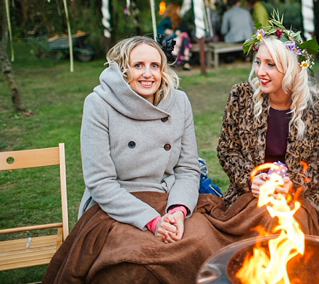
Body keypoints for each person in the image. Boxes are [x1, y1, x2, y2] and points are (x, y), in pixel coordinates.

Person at [44, 36, 207, 283]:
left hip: (168, 195)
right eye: (138, 65)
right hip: (116, 205)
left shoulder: (179, 102)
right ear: (122, 69)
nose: (148, 74)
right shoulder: (99, 104)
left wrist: (178, 210)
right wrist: (151, 221)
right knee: (136, 261)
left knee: (202, 244)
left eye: (155, 66)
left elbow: (187, 168)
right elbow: (100, 182)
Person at [216, 18, 319, 243]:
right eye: (258, 62)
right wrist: (249, 180)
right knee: (263, 218)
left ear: (291, 67)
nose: (260, 71)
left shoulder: (317, 104)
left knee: (286, 220)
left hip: (301, 194)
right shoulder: (241, 97)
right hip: (250, 194)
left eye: (270, 64)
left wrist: (293, 183)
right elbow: (227, 150)